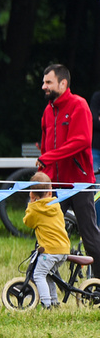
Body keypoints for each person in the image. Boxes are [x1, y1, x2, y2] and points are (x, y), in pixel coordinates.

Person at [38, 63, 100, 277]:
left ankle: (98, 283)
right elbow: (46, 144)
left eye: (48, 82)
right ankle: (42, 283)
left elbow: (81, 141)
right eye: (44, 82)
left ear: (63, 83)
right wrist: (43, 166)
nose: (43, 86)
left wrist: (47, 157)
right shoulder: (48, 111)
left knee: (90, 237)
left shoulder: (79, 105)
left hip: (80, 184)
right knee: (46, 235)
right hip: (55, 185)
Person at [23, 172, 70, 309]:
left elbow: (28, 222)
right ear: (50, 191)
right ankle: (54, 301)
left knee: (38, 275)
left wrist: (30, 204)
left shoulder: (36, 208)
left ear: (32, 195)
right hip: (63, 249)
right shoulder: (56, 205)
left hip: (50, 251)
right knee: (49, 275)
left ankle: (46, 304)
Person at [89, 89, 100, 223]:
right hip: (96, 149)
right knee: (97, 189)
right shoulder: (97, 96)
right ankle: (96, 226)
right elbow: (93, 121)